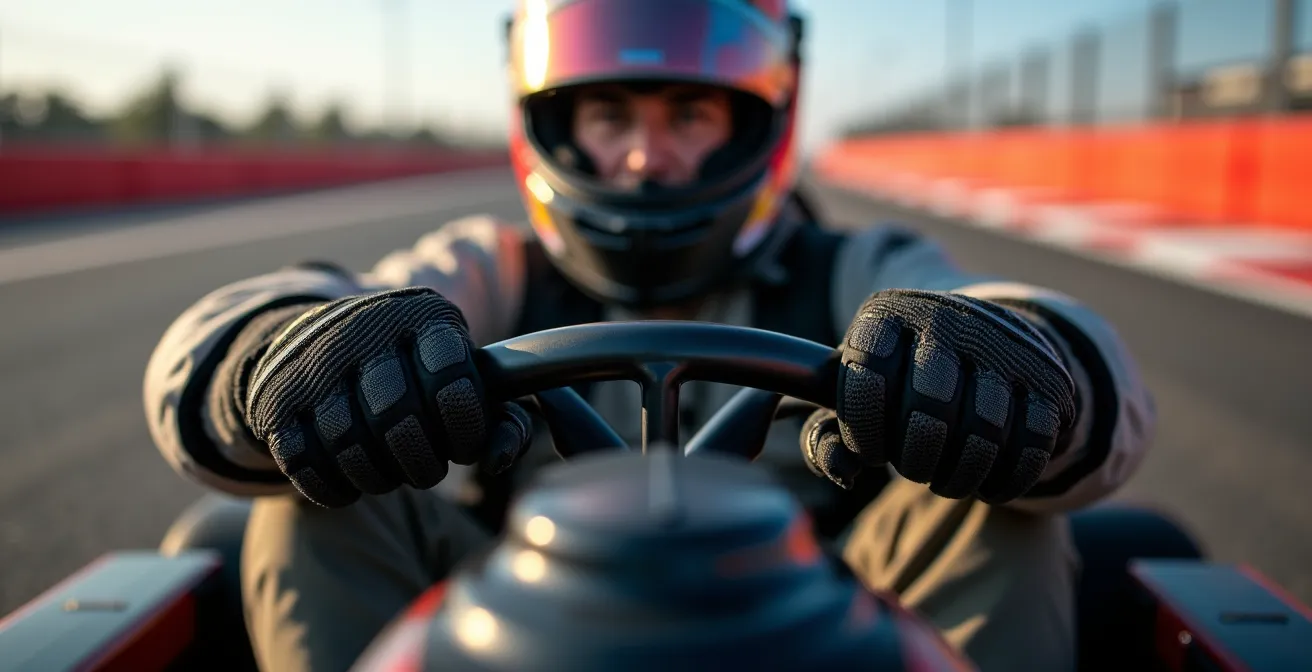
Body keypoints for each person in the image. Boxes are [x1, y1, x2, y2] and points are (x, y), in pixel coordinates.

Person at [143, 1, 1154, 670]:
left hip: (821, 624)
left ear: (759, 121)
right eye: (608, 114)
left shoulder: (855, 266)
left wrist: (1011, 364)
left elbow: (1056, 345)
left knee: (1007, 502)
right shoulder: (490, 266)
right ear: (550, 123)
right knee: (306, 495)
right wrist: (277, 361)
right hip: (525, 632)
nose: (641, 159)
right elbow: (229, 338)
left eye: (689, 116)